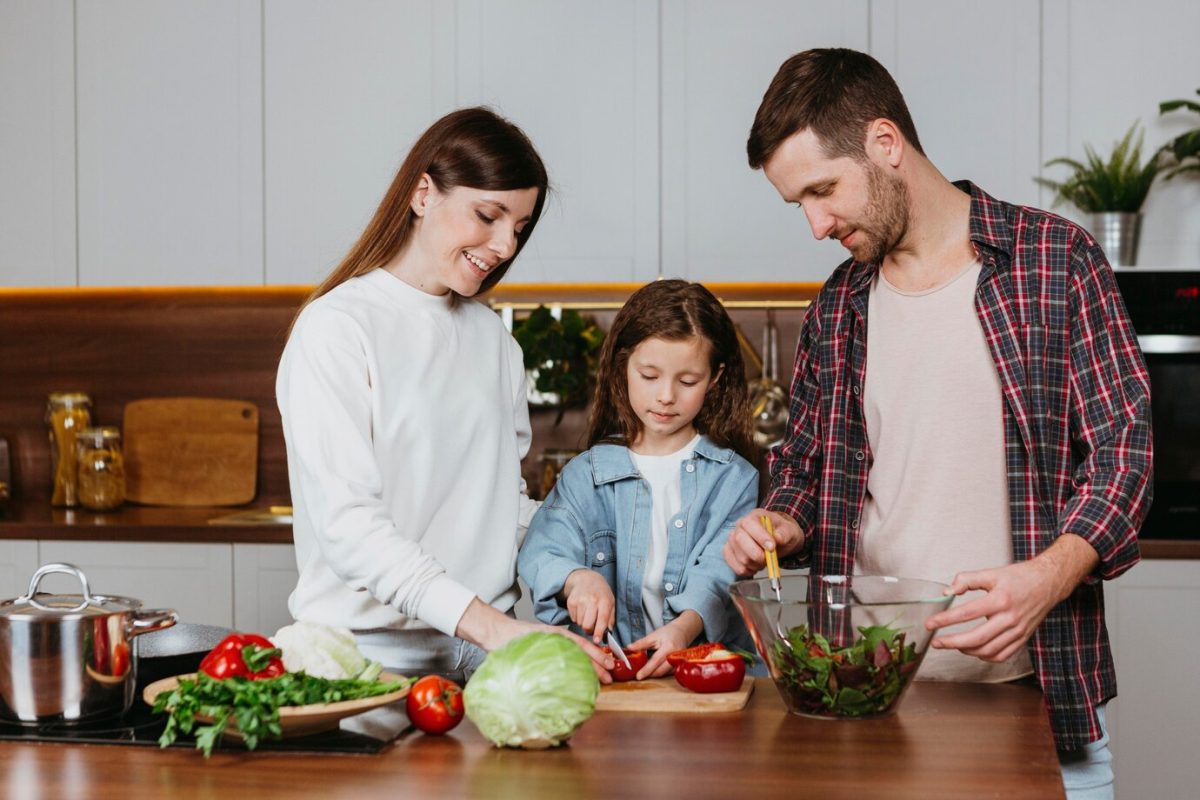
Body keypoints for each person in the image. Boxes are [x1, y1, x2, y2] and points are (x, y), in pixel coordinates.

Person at [722, 49, 1150, 798]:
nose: (817, 225)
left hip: (1037, 698)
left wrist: (1048, 578)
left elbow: (1125, 454)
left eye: (823, 191)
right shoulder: (838, 306)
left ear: (885, 145)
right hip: (871, 700)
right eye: (799, 205)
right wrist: (782, 519)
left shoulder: (1055, 261)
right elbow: (803, 466)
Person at [277, 107, 611, 684]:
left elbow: (499, 509)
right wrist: (491, 627)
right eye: (489, 215)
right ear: (423, 194)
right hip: (365, 662)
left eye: (520, 227)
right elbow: (349, 527)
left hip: (486, 658)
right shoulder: (336, 328)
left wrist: (570, 566)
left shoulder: (494, 341)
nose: (505, 244)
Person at [519, 280, 759, 680]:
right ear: (622, 367)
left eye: (687, 381)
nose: (666, 395)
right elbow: (543, 550)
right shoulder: (585, 476)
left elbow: (719, 574)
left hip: (708, 677)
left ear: (715, 378)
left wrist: (684, 629)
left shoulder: (733, 478)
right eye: (649, 375)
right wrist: (578, 579)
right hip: (610, 679)